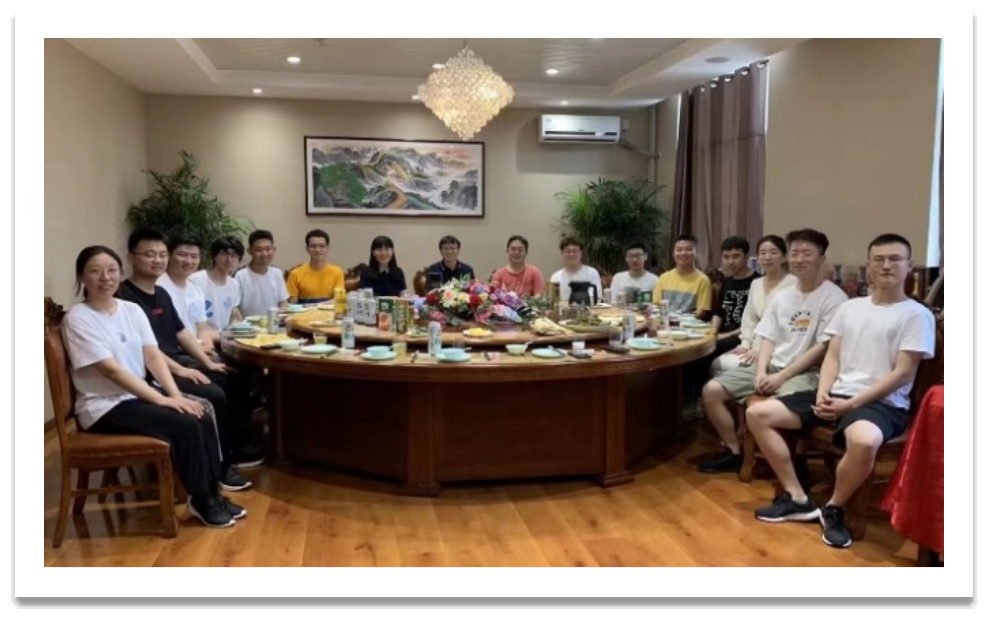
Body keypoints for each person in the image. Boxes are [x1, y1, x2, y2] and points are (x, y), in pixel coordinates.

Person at [747, 234, 936, 549]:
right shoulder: (850, 308)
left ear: (909, 266)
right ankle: (798, 498)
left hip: (881, 402)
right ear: (869, 266)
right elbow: (832, 356)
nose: (886, 265)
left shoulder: (916, 315)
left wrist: (851, 405)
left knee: (864, 440)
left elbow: (903, 373)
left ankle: (833, 508)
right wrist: (823, 391)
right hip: (837, 393)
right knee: (757, 414)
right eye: (879, 259)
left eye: (895, 259)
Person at [62, 245, 245, 528]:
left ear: (120, 273)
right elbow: (110, 370)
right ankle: (201, 499)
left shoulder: (131, 309)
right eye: (95, 272)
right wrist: (162, 400)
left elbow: (153, 355)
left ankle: (212, 493)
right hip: (104, 406)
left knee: (199, 413)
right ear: (82, 277)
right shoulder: (78, 318)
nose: (105, 278)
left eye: (111, 270)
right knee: (185, 424)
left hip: (136, 397)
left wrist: (175, 395)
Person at [697, 228, 848, 474]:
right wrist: (760, 371)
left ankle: (796, 467)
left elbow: (824, 348)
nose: (799, 259)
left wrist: (781, 376)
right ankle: (734, 451)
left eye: (807, 253)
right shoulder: (783, 296)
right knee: (711, 391)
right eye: (795, 253)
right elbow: (767, 337)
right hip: (771, 365)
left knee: (776, 408)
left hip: (807, 373)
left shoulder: (834, 298)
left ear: (821, 259)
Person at [117, 228, 259, 483]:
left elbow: (182, 332)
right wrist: (183, 369)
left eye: (161, 254)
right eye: (150, 254)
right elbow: (147, 351)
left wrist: (207, 362)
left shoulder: (160, 293)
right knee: (216, 391)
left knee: (234, 375)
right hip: (153, 370)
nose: (157, 260)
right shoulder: (124, 297)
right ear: (131, 257)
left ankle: (231, 448)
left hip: (177, 360)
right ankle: (220, 465)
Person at [711, 235, 797, 375]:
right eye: (762, 253)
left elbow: (786, 325)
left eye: (773, 252)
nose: (767, 257)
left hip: (777, 348)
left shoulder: (793, 284)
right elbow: (749, 319)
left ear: (784, 257)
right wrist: (745, 344)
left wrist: (761, 349)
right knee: (717, 363)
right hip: (752, 344)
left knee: (722, 364)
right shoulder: (756, 284)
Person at [156, 232, 213, 352]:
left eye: (194, 257)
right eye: (182, 255)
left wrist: (209, 349)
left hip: (197, 352)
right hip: (172, 353)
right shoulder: (157, 287)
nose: (188, 261)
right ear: (169, 255)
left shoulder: (196, 290)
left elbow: (202, 330)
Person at [190, 237, 244, 334]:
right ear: (214, 256)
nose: (229, 260)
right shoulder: (195, 280)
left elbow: (233, 316)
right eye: (224, 254)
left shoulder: (234, 284)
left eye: (234, 255)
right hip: (201, 337)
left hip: (224, 337)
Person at [652, 234, 712, 316]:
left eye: (688, 249)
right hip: (665, 321)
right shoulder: (663, 278)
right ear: (673, 253)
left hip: (690, 322)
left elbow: (702, 311)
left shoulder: (703, 280)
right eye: (679, 250)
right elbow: (656, 305)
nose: (683, 253)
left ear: (696, 252)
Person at [235, 229, 289, 318]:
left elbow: (283, 302)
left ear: (274, 250)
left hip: (273, 324)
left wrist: (283, 319)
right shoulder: (240, 275)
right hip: (248, 325)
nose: (264, 254)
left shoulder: (277, 273)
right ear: (250, 251)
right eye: (258, 250)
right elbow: (235, 308)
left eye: (268, 249)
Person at [286, 229, 346, 304]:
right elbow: (292, 304)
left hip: (329, 311)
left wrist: (318, 306)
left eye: (322, 246)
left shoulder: (337, 272)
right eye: (313, 246)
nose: (317, 250)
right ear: (307, 249)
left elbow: (338, 300)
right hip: (304, 311)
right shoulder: (295, 274)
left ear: (328, 248)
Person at [549, 236, 603, 304]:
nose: (571, 254)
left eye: (575, 251)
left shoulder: (592, 273)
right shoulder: (556, 277)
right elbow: (552, 302)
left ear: (581, 253)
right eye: (567, 251)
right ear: (562, 254)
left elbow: (596, 298)